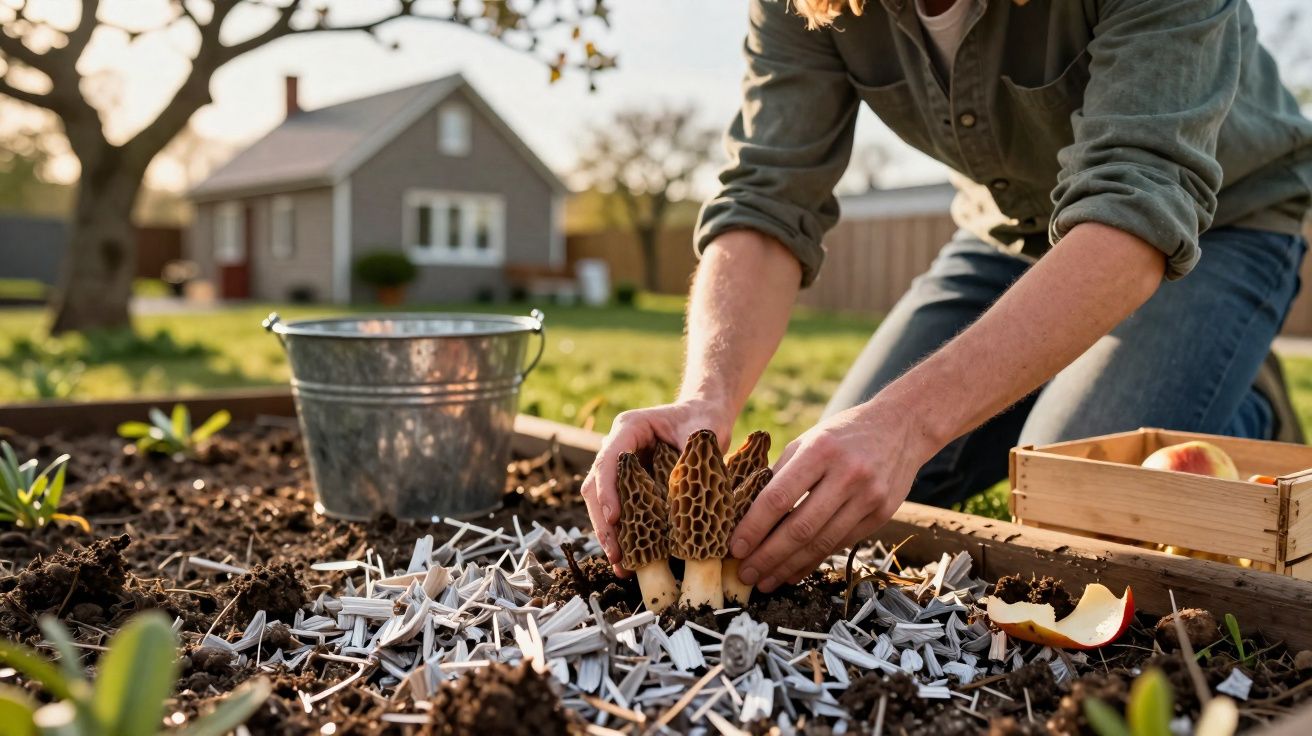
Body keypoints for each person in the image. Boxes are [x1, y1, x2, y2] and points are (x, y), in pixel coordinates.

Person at [582, 0, 1312, 595]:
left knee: (1070, 506)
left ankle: (1237, 397)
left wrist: (909, 420)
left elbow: (1134, 212)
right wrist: (706, 399)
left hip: (1218, 224)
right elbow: (765, 199)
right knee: (830, 499)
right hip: (1006, 236)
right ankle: (1061, 376)